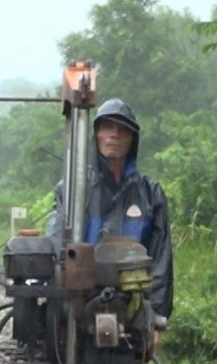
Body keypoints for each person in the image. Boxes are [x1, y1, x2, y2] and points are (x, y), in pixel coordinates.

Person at [46, 98, 172, 347]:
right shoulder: (72, 190)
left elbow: (161, 258)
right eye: (107, 127)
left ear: (132, 139)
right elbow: (55, 243)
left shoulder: (150, 194)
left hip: (130, 307)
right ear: (95, 135)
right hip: (77, 302)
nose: (114, 135)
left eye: (122, 130)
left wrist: (157, 318)